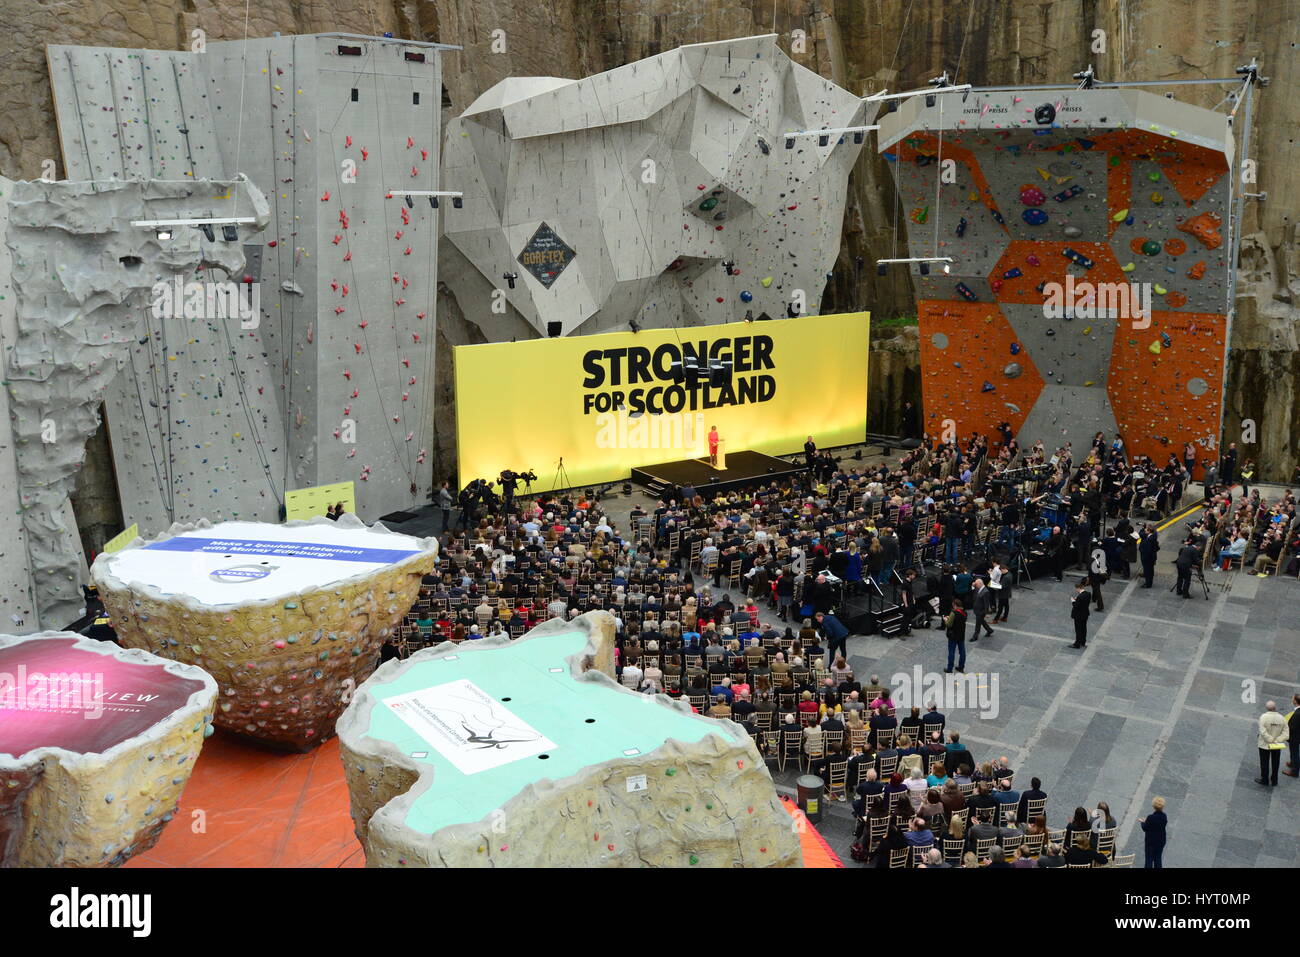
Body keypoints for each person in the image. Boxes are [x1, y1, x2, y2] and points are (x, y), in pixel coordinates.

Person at [1256, 700, 1290, 786]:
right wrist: (1277, 740)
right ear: (1275, 708)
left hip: (1264, 744)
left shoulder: (1263, 717)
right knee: (1276, 762)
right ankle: (1274, 780)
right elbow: (1286, 734)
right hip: (1277, 745)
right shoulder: (1282, 718)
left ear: (1266, 708)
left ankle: (1265, 779)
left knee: (1264, 762)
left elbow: (1263, 732)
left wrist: (1271, 739)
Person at [1138, 796, 1168, 868]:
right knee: (1158, 858)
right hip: (1161, 841)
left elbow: (1145, 828)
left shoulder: (1150, 817)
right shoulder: (1164, 816)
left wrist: (1142, 822)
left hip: (1151, 842)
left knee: (1149, 859)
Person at [944, 598, 967, 674]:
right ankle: (961, 667)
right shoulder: (964, 612)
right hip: (961, 635)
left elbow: (949, 624)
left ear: (955, 605)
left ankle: (949, 668)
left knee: (951, 652)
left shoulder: (953, 613)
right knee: (962, 652)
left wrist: (946, 619)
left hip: (953, 636)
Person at [1069, 580, 1090, 649]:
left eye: (1076, 588)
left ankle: (1077, 644)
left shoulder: (1080, 597)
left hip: (1079, 615)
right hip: (1085, 614)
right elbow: (1083, 603)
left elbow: (1076, 606)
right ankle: (1083, 642)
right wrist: (1077, 599)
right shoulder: (1088, 594)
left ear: (1078, 588)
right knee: (1084, 628)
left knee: (1078, 630)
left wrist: (1073, 601)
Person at [1138, 523, 1160, 588]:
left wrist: (1144, 557)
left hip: (1148, 558)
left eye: (1146, 530)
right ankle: (1149, 581)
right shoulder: (1153, 535)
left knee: (1148, 570)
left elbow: (1148, 550)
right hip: (1151, 557)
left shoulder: (1149, 540)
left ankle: (1148, 584)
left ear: (1149, 531)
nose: (1145, 531)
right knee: (1150, 570)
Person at [1286, 693, 1300, 779]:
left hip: (1295, 737)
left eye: (1293, 698)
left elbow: (1292, 727)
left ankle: (1294, 771)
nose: (1292, 699)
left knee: (1295, 752)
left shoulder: (1297, 714)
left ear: (1295, 701)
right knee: (1294, 751)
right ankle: (1292, 763)